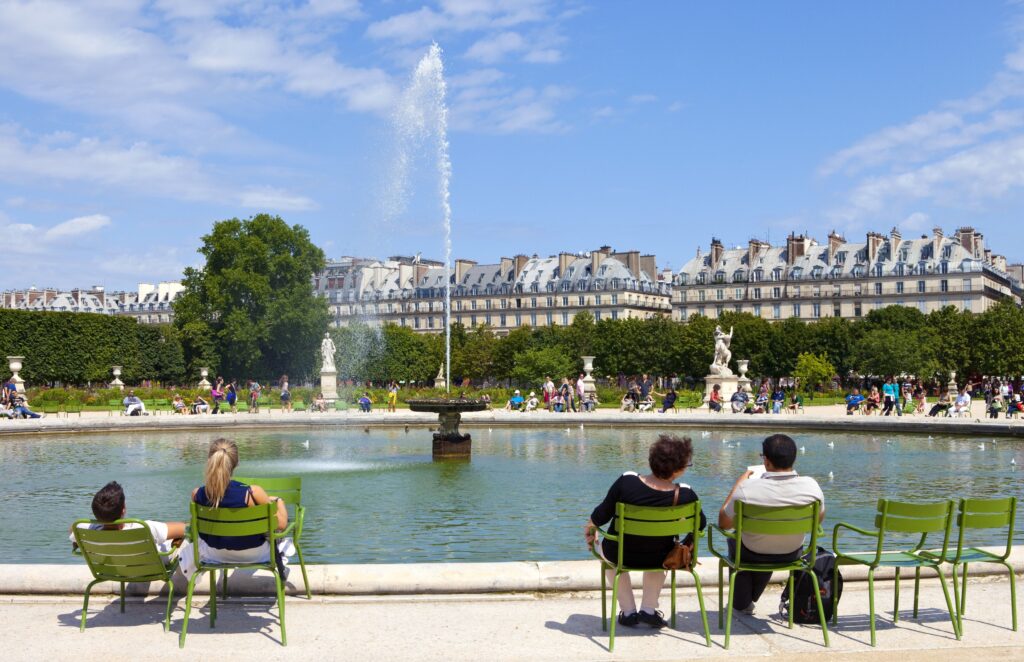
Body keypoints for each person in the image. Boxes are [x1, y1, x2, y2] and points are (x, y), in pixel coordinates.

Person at [585, 435, 706, 629]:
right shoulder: (686, 494)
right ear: (678, 469)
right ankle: (649, 610)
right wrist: (683, 542)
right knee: (659, 546)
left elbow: (599, 516)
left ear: (652, 461)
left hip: (619, 554)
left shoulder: (626, 481)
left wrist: (591, 534)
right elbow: (700, 525)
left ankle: (628, 612)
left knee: (605, 554)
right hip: (661, 558)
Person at [718, 434, 825, 615]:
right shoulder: (812, 486)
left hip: (753, 554)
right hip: (792, 553)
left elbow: (723, 524)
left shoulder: (748, 488)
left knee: (737, 539)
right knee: (766, 537)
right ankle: (745, 602)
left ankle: (742, 603)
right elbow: (818, 521)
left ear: (766, 462)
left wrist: (738, 485)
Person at [179, 439, 291, 580]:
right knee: (278, 537)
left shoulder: (197, 494)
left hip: (214, 554)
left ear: (210, 460)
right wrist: (279, 501)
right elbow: (281, 525)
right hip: (255, 553)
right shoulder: (252, 493)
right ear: (236, 463)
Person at [70, 481, 186, 562]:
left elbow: (72, 528)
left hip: (110, 570)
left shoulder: (84, 530)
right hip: (148, 566)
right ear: (123, 508)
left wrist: (95, 523)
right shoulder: (143, 528)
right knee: (184, 541)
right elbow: (185, 529)